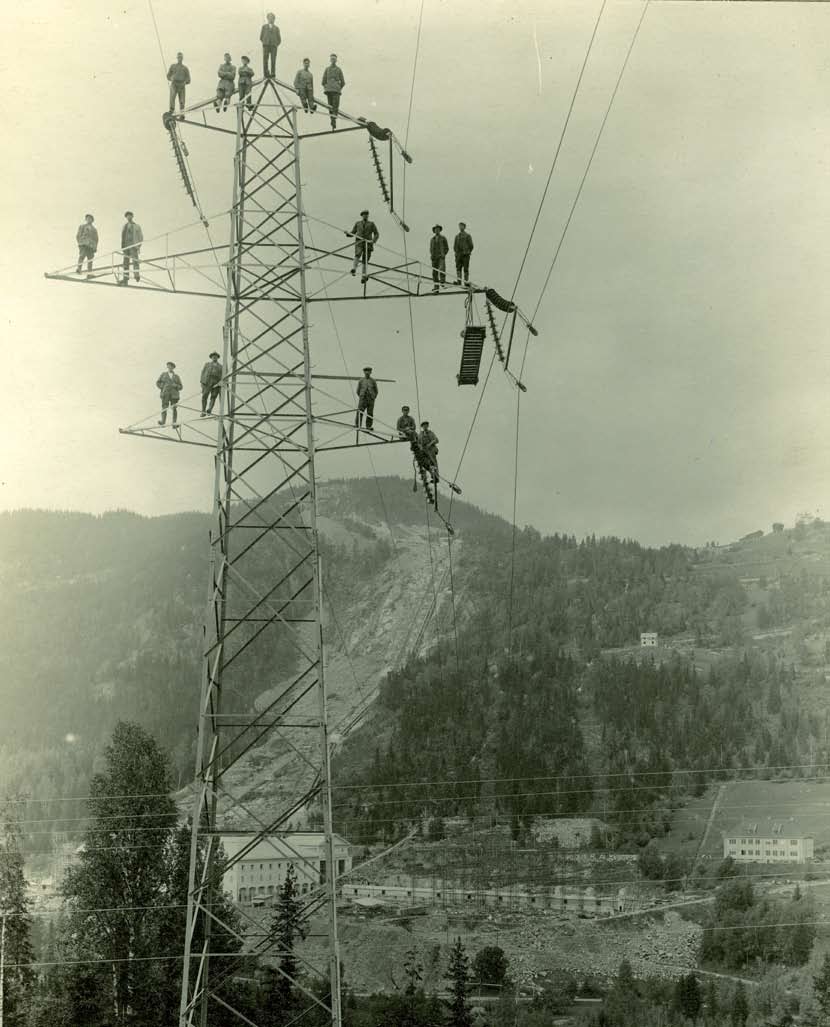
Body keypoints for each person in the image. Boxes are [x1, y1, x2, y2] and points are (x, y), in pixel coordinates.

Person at [348, 210, 379, 283]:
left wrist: (373, 241)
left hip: (368, 244)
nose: (365, 216)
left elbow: (376, 234)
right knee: (357, 254)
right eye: (364, 215)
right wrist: (348, 234)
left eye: (367, 214)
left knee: (365, 260)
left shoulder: (371, 224)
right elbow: (353, 232)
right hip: (359, 242)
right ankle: (354, 269)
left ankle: (363, 276)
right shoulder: (358, 223)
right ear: (362, 216)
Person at [321, 54, 345, 131]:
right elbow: (323, 81)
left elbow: (343, 82)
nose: (333, 60)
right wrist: (327, 87)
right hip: (329, 90)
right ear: (330, 60)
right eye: (332, 59)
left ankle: (333, 120)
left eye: (334, 59)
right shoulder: (327, 69)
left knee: (334, 106)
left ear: (336, 60)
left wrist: (338, 88)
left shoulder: (339, 70)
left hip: (335, 90)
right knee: (331, 106)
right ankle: (333, 121)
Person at [119, 211, 143, 285]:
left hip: (133, 245)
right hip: (126, 246)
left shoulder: (137, 226)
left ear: (132, 216)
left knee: (135, 260)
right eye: (127, 216)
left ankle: (136, 275)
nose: (128, 217)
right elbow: (122, 237)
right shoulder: (125, 226)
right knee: (125, 263)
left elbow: (140, 237)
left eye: (130, 216)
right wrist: (123, 247)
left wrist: (138, 246)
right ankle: (125, 278)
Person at [157, 362, 182, 426]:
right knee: (164, 407)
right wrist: (163, 387)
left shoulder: (176, 376)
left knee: (174, 408)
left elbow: (181, 387)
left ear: (173, 368)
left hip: (174, 395)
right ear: (167, 367)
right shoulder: (163, 374)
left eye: (171, 366)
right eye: (169, 366)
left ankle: (174, 423)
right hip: (165, 394)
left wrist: (175, 385)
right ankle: (163, 421)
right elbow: (158, 383)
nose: (170, 367)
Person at [167, 52, 191, 117]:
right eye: (179, 57)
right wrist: (171, 78)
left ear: (182, 58)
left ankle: (182, 113)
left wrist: (185, 82)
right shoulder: (173, 66)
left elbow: (189, 80)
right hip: (174, 84)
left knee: (182, 100)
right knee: (172, 96)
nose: (180, 59)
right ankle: (171, 110)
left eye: (181, 57)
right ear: (177, 58)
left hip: (181, 85)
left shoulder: (185, 68)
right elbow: (168, 76)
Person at [200, 351, 223, 416]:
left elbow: (223, 375)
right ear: (211, 357)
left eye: (215, 356)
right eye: (213, 356)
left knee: (213, 396)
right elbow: (203, 373)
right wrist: (202, 382)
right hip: (208, 382)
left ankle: (209, 409)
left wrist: (220, 383)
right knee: (204, 396)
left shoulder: (221, 366)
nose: (214, 357)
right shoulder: (207, 364)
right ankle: (203, 411)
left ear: (217, 358)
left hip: (216, 382)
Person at [355, 366, 378, 431]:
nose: (367, 372)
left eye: (369, 371)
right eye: (366, 371)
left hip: (371, 399)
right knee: (360, 411)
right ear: (364, 372)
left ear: (371, 372)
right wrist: (361, 396)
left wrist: (373, 397)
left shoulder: (373, 381)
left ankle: (368, 426)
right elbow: (358, 390)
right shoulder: (361, 380)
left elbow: (376, 391)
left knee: (370, 413)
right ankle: (358, 425)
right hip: (363, 399)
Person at [260, 13, 281, 78]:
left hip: (273, 46)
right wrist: (265, 42)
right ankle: (266, 73)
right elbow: (261, 37)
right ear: (267, 18)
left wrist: (275, 44)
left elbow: (279, 39)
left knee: (273, 60)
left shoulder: (276, 28)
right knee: (265, 59)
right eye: (269, 18)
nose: (271, 19)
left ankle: (272, 73)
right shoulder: (264, 27)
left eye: (272, 18)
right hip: (266, 45)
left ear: (274, 19)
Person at [453, 221, 474, 286]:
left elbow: (471, 246)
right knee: (458, 268)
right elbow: (454, 246)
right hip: (459, 255)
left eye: (462, 226)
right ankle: (459, 281)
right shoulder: (457, 236)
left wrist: (467, 252)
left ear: (464, 227)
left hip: (465, 255)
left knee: (465, 268)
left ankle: (466, 282)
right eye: (459, 226)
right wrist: (456, 253)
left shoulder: (468, 236)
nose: (460, 227)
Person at [429, 225, 449, 293]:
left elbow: (447, 248)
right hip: (434, 258)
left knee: (442, 269)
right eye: (435, 229)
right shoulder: (432, 239)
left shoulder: (443, 238)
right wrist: (432, 255)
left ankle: (442, 282)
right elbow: (431, 248)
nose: (436, 230)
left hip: (441, 257)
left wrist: (443, 254)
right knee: (434, 272)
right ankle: (436, 287)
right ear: (434, 231)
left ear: (440, 230)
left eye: (438, 229)